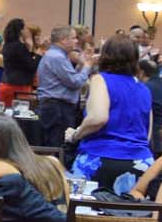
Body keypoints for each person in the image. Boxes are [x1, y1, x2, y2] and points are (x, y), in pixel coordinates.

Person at [65, 35, 152, 192]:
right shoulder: (144, 89)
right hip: (141, 161)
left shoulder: (100, 80)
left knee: (84, 205)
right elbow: (147, 133)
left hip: (101, 157)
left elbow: (98, 118)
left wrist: (76, 135)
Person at [37, 26, 89, 147]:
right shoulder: (57, 57)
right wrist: (87, 66)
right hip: (58, 108)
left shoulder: (56, 55)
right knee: (59, 146)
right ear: (63, 40)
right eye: (74, 38)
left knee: (57, 144)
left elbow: (70, 78)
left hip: (56, 106)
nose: (76, 41)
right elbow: (75, 82)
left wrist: (81, 65)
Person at [0, 19, 40, 105]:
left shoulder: (7, 45)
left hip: (6, 83)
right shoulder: (19, 46)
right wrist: (39, 54)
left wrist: (30, 49)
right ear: (21, 30)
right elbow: (31, 66)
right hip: (18, 86)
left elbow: (23, 60)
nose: (27, 30)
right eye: (25, 28)